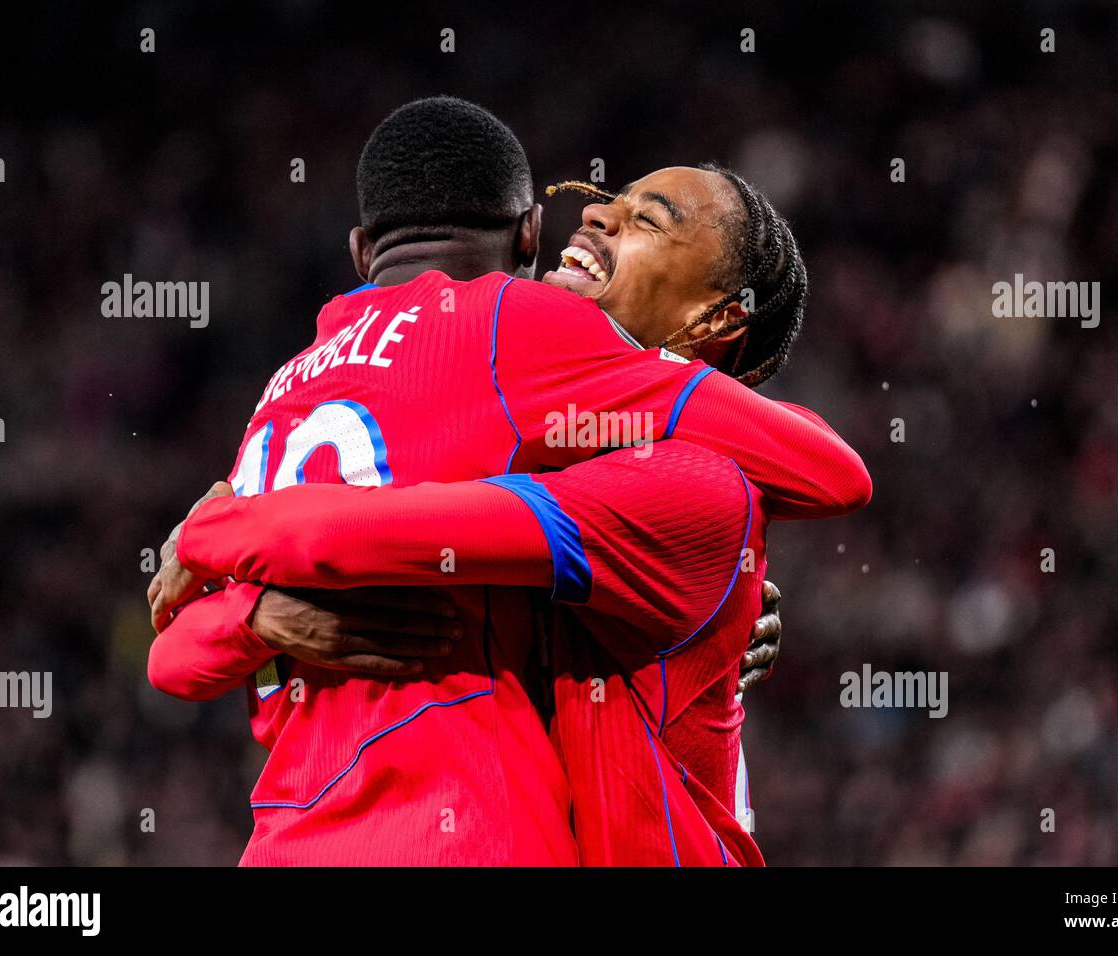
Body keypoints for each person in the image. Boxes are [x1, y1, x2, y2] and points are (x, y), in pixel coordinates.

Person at [147, 97, 870, 865]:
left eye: (647, 220)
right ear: (527, 232)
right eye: (602, 205)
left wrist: (210, 537)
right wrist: (259, 612)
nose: (593, 219)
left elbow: (361, 540)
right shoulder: (540, 431)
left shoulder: (681, 478)